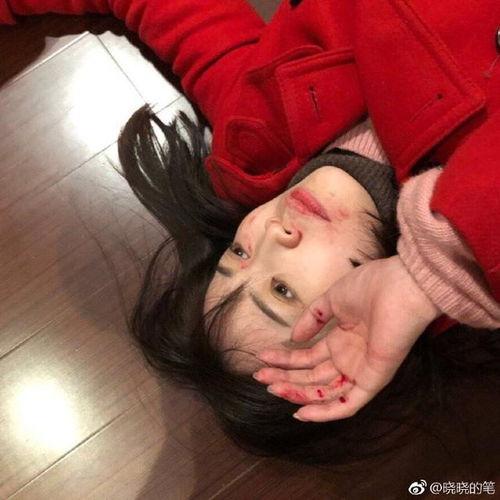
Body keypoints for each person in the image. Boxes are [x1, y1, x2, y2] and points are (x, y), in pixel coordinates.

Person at [1, 0, 499, 464]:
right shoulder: (472, 259)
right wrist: (436, 270)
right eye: (282, 290)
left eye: (237, 254)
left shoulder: (254, 139)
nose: (271, 234)